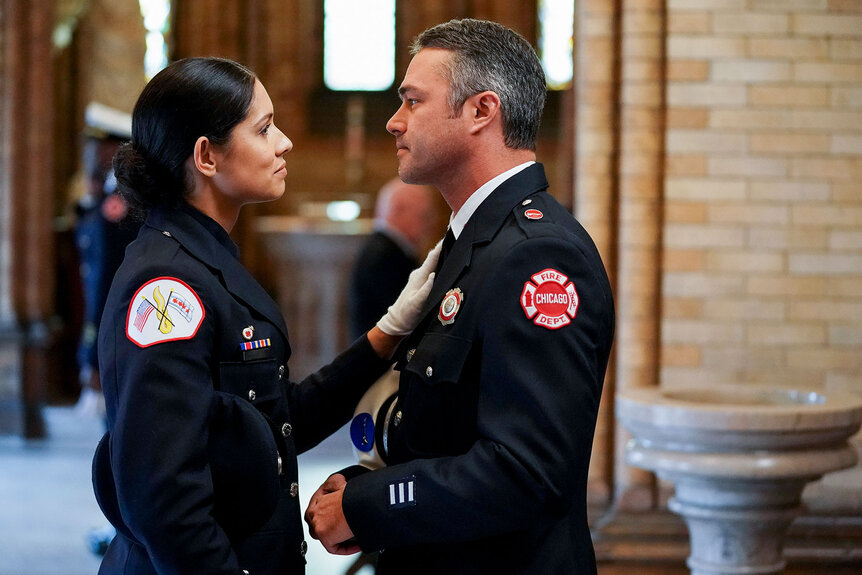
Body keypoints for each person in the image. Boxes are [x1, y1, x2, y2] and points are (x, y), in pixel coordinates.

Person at [91, 57, 440, 575]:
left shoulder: (202, 260)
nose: (284, 143)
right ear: (206, 156)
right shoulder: (167, 287)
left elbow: (277, 420)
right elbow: (163, 500)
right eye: (263, 128)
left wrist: (387, 333)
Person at [304, 19, 615, 575]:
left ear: (481, 111)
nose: (393, 122)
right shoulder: (474, 242)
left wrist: (371, 504)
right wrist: (365, 485)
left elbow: (528, 472)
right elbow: (452, 427)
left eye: (412, 101)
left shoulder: (536, 256)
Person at [73, 102, 141, 421]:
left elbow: (105, 282)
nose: (90, 155)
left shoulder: (116, 207)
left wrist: (93, 358)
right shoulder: (113, 199)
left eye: (96, 146)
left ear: (114, 150)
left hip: (115, 336)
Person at [348, 177, 437, 341]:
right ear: (399, 210)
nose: (430, 224)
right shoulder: (385, 256)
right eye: (424, 215)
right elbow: (407, 315)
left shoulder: (386, 248)